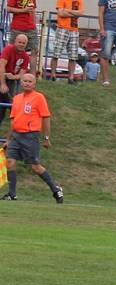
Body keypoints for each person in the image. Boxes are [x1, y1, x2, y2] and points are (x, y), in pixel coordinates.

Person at [1, 73, 63, 203]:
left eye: (30, 81)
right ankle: (12, 194)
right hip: (16, 136)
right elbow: (13, 121)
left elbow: (46, 118)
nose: (27, 83)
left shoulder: (39, 98)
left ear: (34, 84)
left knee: (35, 167)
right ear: (21, 82)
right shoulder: (17, 98)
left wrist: (46, 137)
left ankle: (56, 189)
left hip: (30, 136)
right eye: (25, 81)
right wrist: (8, 139)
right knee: (10, 162)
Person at [50, 0, 84, 83]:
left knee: (73, 56)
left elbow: (80, 13)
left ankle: (71, 78)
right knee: (56, 53)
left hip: (74, 30)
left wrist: (67, 10)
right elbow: (61, 13)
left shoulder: (79, 1)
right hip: (62, 28)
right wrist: (74, 13)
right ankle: (53, 75)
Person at [0, 34, 30, 127]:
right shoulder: (8, 49)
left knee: (7, 105)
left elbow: (22, 75)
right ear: (15, 42)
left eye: (23, 43)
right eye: (19, 42)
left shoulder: (25, 56)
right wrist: (3, 83)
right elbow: (1, 66)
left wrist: (12, 77)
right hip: (2, 77)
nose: (21, 44)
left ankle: (18, 126)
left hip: (11, 80)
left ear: (26, 44)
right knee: (7, 103)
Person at [6, 0, 39, 77]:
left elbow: (33, 10)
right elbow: (8, 8)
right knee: (12, 50)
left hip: (31, 28)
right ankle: (9, 73)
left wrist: (34, 25)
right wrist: (23, 10)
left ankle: (32, 76)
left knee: (35, 51)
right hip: (17, 27)